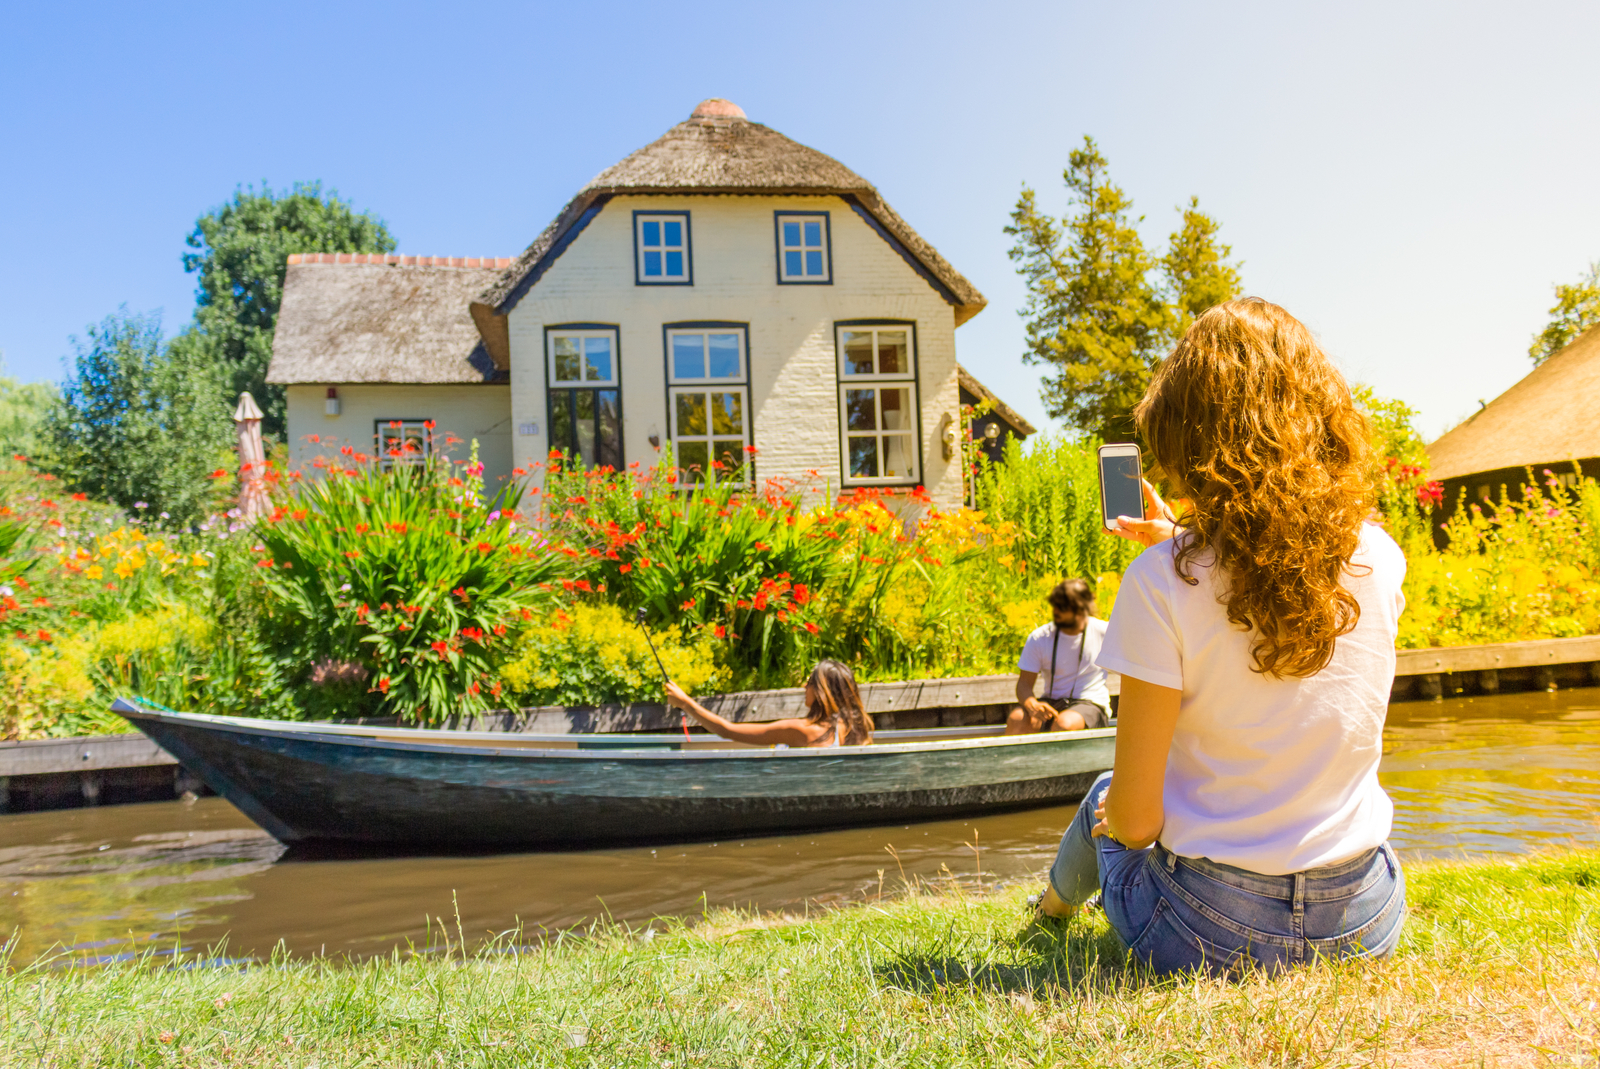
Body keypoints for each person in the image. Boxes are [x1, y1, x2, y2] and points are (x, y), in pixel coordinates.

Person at [1034, 297, 1407, 979]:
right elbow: (1268, 576)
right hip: (1363, 918)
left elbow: (1138, 823)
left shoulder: (1158, 584)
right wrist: (1177, 539)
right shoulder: (1382, 558)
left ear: (1190, 440)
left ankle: (1046, 913)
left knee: (1107, 798)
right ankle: (1048, 910)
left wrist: (1172, 551)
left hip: (1210, 930)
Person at [663, 659, 873, 747]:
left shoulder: (801, 730)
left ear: (821, 693)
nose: (804, 687)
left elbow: (727, 730)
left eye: (809, 682)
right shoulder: (854, 728)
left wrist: (685, 703)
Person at [1005, 578, 1111, 734]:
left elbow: (1131, 669)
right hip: (1052, 702)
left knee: (1064, 723)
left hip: (1091, 704)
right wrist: (1031, 704)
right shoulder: (1040, 637)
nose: (1057, 611)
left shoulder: (1105, 632)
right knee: (1017, 719)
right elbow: (1024, 684)